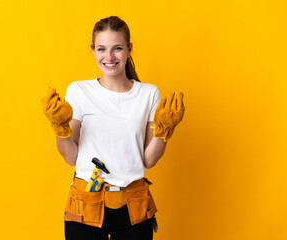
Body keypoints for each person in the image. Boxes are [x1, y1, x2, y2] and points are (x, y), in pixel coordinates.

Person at [42, 16, 185, 240]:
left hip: (134, 207)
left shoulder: (148, 94)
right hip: (85, 204)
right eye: (102, 49)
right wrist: (60, 128)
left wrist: (164, 131)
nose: (109, 57)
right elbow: (71, 157)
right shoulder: (79, 91)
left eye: (117, 48)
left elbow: (148, 161)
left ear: (129, 49)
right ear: (93, 50)